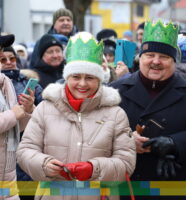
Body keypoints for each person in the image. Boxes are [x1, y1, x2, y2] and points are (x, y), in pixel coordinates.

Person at [16, 32, 136, 199]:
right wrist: (44, 165)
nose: (82, 84)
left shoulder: (116, 114)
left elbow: (126, 162)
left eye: (89, 77)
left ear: (99, 79)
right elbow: (25, 151)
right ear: (67, 77)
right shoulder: (45, 108)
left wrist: (94, 169)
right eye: (76, 77)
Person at [111, 20, 186, 200]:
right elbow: (97, 132)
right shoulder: (116, 90)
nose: (156, 62)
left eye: (164, 56)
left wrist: (174, 143)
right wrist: (127, 141)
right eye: (150, 55)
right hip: (127, 187)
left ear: (174, 61)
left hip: (172, 187)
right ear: (140, 58)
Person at [0, 34, 35, 200]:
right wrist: (13, 114)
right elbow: (11, 118)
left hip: (9, 177)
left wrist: (26, 111)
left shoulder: (5, 81)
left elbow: (16, 128)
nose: (2, 54)